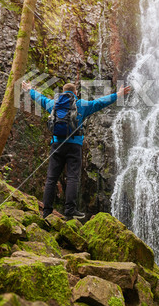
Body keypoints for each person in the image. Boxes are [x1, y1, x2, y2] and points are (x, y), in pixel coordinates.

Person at [22, 81, 131, 220]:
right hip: (74, 146)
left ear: (62, 92)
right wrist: (118, 94)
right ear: (75, 93)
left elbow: (40, 98)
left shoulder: (53, 104)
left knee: (51, 178)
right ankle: (70, 210)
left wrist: (30, 89)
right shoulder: (81, 105)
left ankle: (46, 211)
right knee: (73, 177)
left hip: (57, 145)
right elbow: (100, 102)